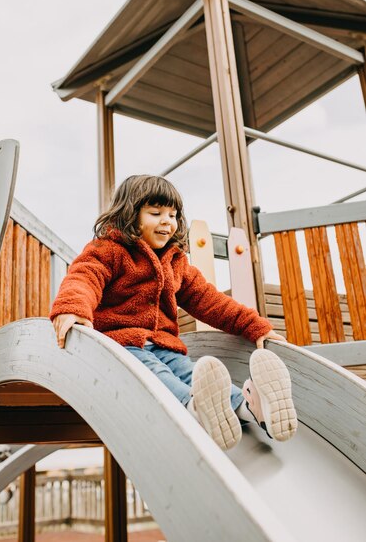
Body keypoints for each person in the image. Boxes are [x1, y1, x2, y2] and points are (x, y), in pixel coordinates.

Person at [50, 175, 297, 450]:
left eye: (173, 214)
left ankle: (251, 409)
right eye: (156, 213)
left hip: (164, 345)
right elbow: (84, 278)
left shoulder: (175, 262)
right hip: (121, 346)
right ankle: (193, 409)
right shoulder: (108, 251)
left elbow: (210, 301)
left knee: (191, 372)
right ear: (130, 214)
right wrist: (72, 308)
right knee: (157, 374)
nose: (167, 221)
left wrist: (255, 326)